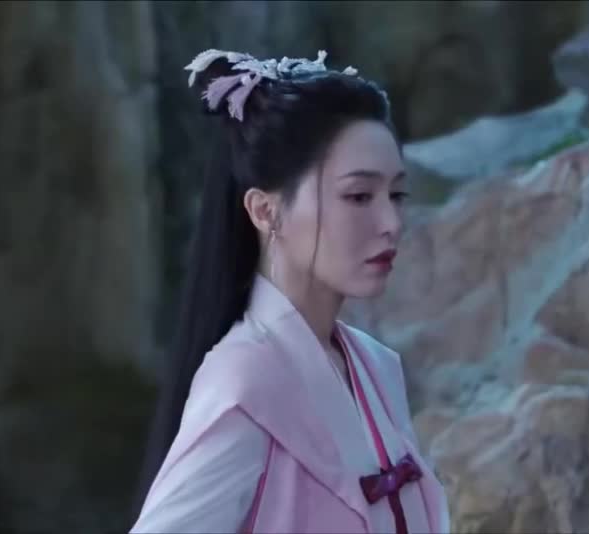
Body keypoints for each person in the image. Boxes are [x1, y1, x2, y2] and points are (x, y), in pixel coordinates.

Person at [130, 49, 449, 534]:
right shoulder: (245, 383)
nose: (391, 222)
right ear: (265, 211)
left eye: (396, 195)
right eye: (359, 196)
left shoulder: (373, 365)